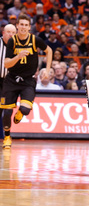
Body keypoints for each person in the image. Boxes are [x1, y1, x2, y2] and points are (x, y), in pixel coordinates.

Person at [0, 14, 52, 148]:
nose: (23, 27)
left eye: (26, 25)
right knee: (6, 111)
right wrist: (18, 56)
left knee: (26, 109)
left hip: (28, 80)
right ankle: (7, 137)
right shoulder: (12, 41)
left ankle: (20, 113)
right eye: (21, 24)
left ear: (29, 27)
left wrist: (47, 69)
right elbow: (6, 64)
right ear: (17, 26)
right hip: (11, 79)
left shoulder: (35, 40)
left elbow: (49, 50)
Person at [0, 24, 17, 138]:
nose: (11, 34)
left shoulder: (18, 46)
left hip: (9, 83)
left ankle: (3, 137)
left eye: (13, 33)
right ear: (3, 33)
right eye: (8, 32)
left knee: (5, 110)